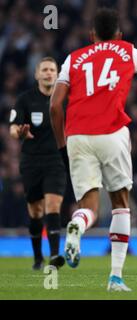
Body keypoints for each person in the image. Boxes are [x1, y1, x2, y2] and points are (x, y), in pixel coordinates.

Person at [50, 8, 137, 292]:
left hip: (77, 135)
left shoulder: (74, 58)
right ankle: (115, 278)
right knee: (120, 205)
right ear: (119, 34)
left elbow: (55, 106)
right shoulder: (126, 51)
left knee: (88, 208)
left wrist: (62, 144)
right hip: (111, 132)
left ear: (92, 35)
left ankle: (77, 227)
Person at [9, 57, 66, 270]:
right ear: (37, 74)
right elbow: (13, 128)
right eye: (44, 70)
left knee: (52, 205)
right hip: (31, 161)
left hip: (56, 161)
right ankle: (37, 258)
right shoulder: (25, 99)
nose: (48, 73)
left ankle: (53, 257)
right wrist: (19, 133)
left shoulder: (64, 100)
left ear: (58, 74)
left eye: (52, 69)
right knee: (35, 211)